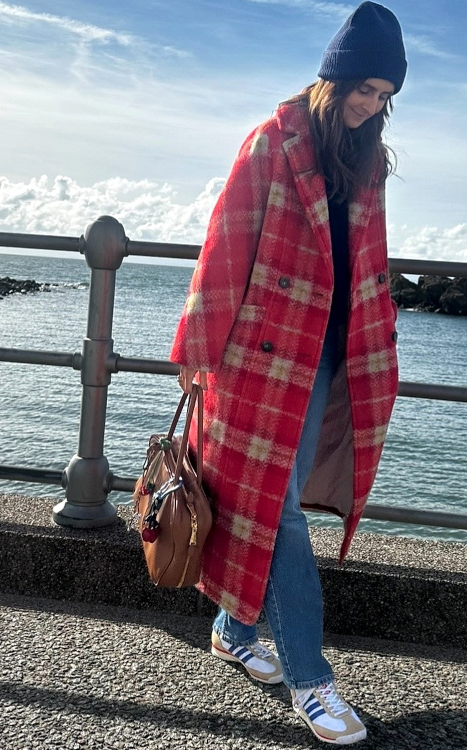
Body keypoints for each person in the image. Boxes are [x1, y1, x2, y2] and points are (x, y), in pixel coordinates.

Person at [171, 2, 406, 743]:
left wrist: (382, 337)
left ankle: (235, 631)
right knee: (277, 510)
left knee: (269, 499)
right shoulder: (272, 142)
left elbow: (370, 260)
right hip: (261, 357)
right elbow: (227, 243)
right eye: (363, 88)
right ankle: (312, 680)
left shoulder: (368, 160)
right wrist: (197, 348)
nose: (370, 105)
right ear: (334, 78)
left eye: (384, 96)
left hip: (334, 352)